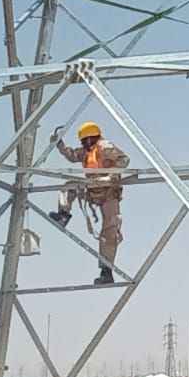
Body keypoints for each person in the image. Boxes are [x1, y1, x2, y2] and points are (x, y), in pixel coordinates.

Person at [49, 120, 129, 285]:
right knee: (68, 186)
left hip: (108, 193)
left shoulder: (104, 147)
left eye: (86, 140)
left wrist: (111, 176)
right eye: (82, 141)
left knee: (109, 232)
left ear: (93, 137)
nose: (84, 143)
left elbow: (124, 160)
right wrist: (59, 144)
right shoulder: (87, 151)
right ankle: (63, 215)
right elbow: (72, 156)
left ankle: (106, 271)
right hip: (93, 189)